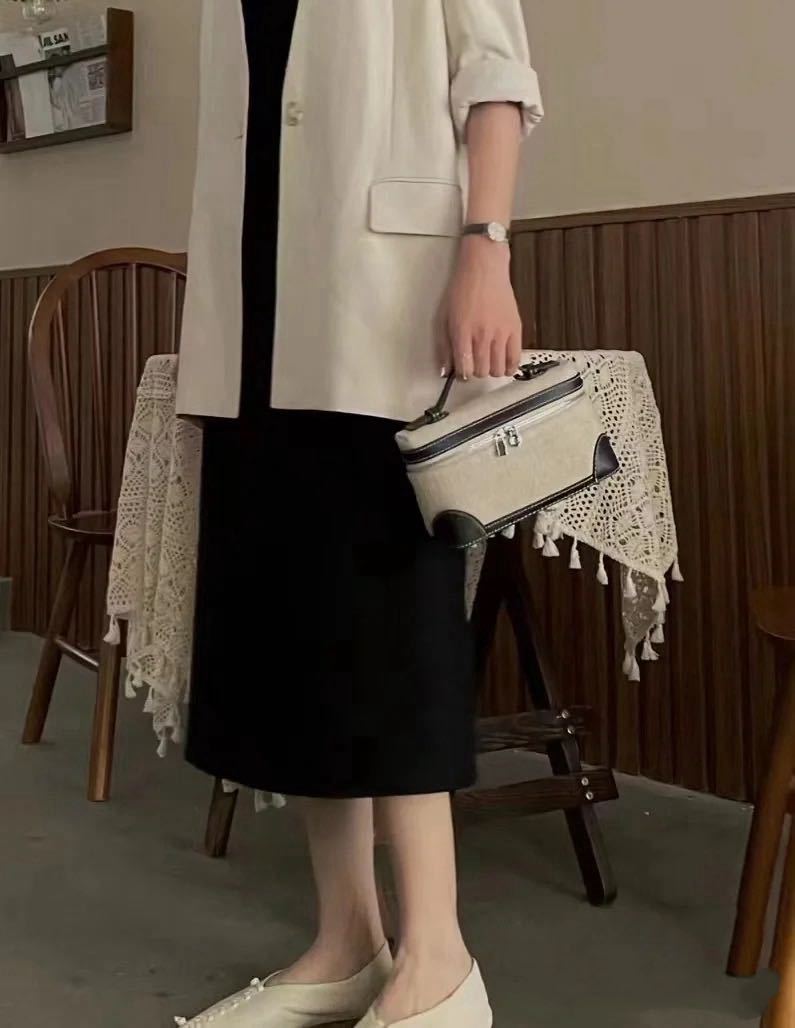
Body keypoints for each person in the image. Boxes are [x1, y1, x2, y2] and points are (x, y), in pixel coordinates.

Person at [174, 2, 544, 1025]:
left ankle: (439, 960)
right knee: (295, 634)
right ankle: (346, 940)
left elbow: (497, 77)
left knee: (388, 626)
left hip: (381, 303)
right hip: (252, 319)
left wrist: (487, 247)